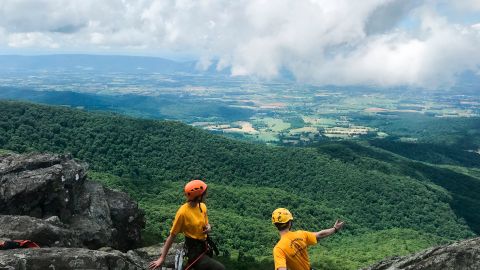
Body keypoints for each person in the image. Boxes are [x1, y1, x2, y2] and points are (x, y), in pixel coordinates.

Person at [149, 180, 225, 270]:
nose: (206, 195)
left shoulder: (202, 206)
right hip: (194, 252)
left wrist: (209, 227)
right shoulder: (183, 213)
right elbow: (172, 236)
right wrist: (162, 258)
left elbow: (206, 223)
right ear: (198, 196)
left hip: (204, 247)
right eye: (204, 193)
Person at [272, 208, 345, 270]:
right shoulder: (301, 234)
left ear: (276, 225)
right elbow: (320, 234)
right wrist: (335, 229)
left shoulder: (278, 249)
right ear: (290, 222)